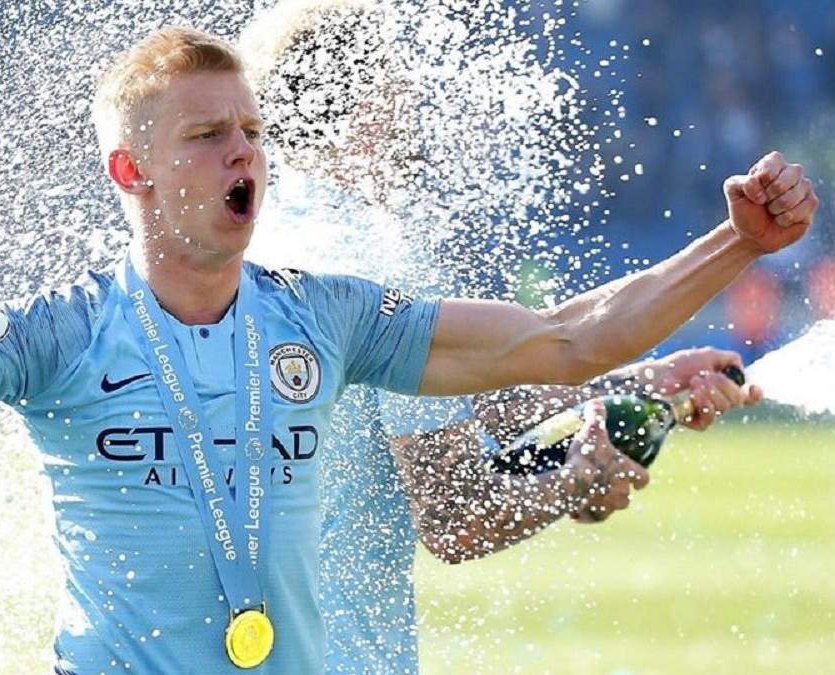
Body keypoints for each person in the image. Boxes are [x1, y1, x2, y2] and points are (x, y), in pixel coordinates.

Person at [0, 25, 816, 674]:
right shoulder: (61, 331)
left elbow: (562, 340)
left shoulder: (327, 315)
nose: (242, 154)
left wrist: (737, 244)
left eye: (251, 131)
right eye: (209, 136)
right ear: (132, 172)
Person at [239, 2, 763, 671]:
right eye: (397, 88)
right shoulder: (383, 263)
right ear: (361, 105)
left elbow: (450, 398)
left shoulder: (248, 248)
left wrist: (640, 381)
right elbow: (453, 517)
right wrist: (572, 482)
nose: (413, 113)